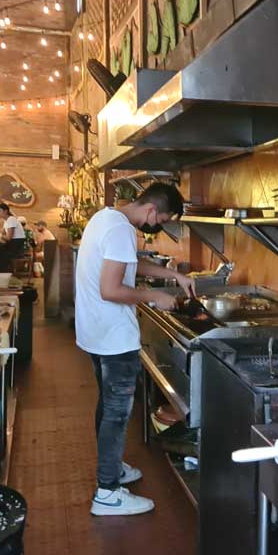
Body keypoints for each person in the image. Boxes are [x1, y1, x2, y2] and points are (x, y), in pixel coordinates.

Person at [75, 182, 195, 516]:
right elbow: (111, 289)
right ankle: (107, 493)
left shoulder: (106, 218)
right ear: (153, 211)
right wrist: (155, 297)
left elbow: (127, 266)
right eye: (163, 219)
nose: (158, 226)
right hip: (113, 336)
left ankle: (111, 470)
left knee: (107, 405)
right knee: (117, 413)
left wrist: (171, 276)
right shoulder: (122, 231)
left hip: (95, 332)